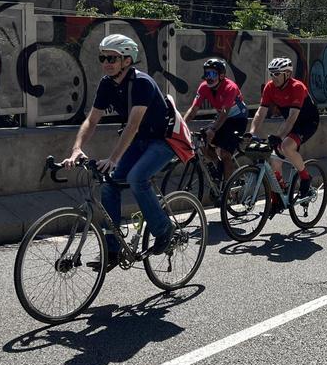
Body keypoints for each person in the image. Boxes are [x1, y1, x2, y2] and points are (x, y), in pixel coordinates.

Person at [65, 34, 176, 258]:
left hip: (162, 141)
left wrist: (113, 159)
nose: (106, 63)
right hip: (138, 142)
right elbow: (91, 120)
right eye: (103, 58)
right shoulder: (107, 84)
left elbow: (133, 125)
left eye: (112, 58)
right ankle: (113, 248)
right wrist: (76, 149)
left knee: (137, 178)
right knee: (109, 185)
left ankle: (165, 230)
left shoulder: (142, 83)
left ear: (127, 60)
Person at [251, 57, 320, 201]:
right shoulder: (270, 87)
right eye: (272, 74)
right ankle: (279, 195)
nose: (273, 77)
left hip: (307, 122)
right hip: (291, 121)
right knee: (275, 158)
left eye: (277, 74)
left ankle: (305, 178)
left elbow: (293, 116)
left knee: (286, 146)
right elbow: (261, 112)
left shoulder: (297, 87)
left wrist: (280, 136)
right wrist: (251, 133)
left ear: (287, 74)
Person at [182, 58, 247, 181]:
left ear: (222, 76)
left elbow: (224, 112)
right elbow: (193, 109)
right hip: (223, 119)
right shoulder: (204, 87)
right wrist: (182, 125)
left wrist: (213, 128)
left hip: (237, 120)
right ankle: (220, 167)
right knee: (202, 143)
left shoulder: (230, 87)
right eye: (206, 73)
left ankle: (228, 192)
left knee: (225, 153)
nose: (208, 77)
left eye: (212, 74)